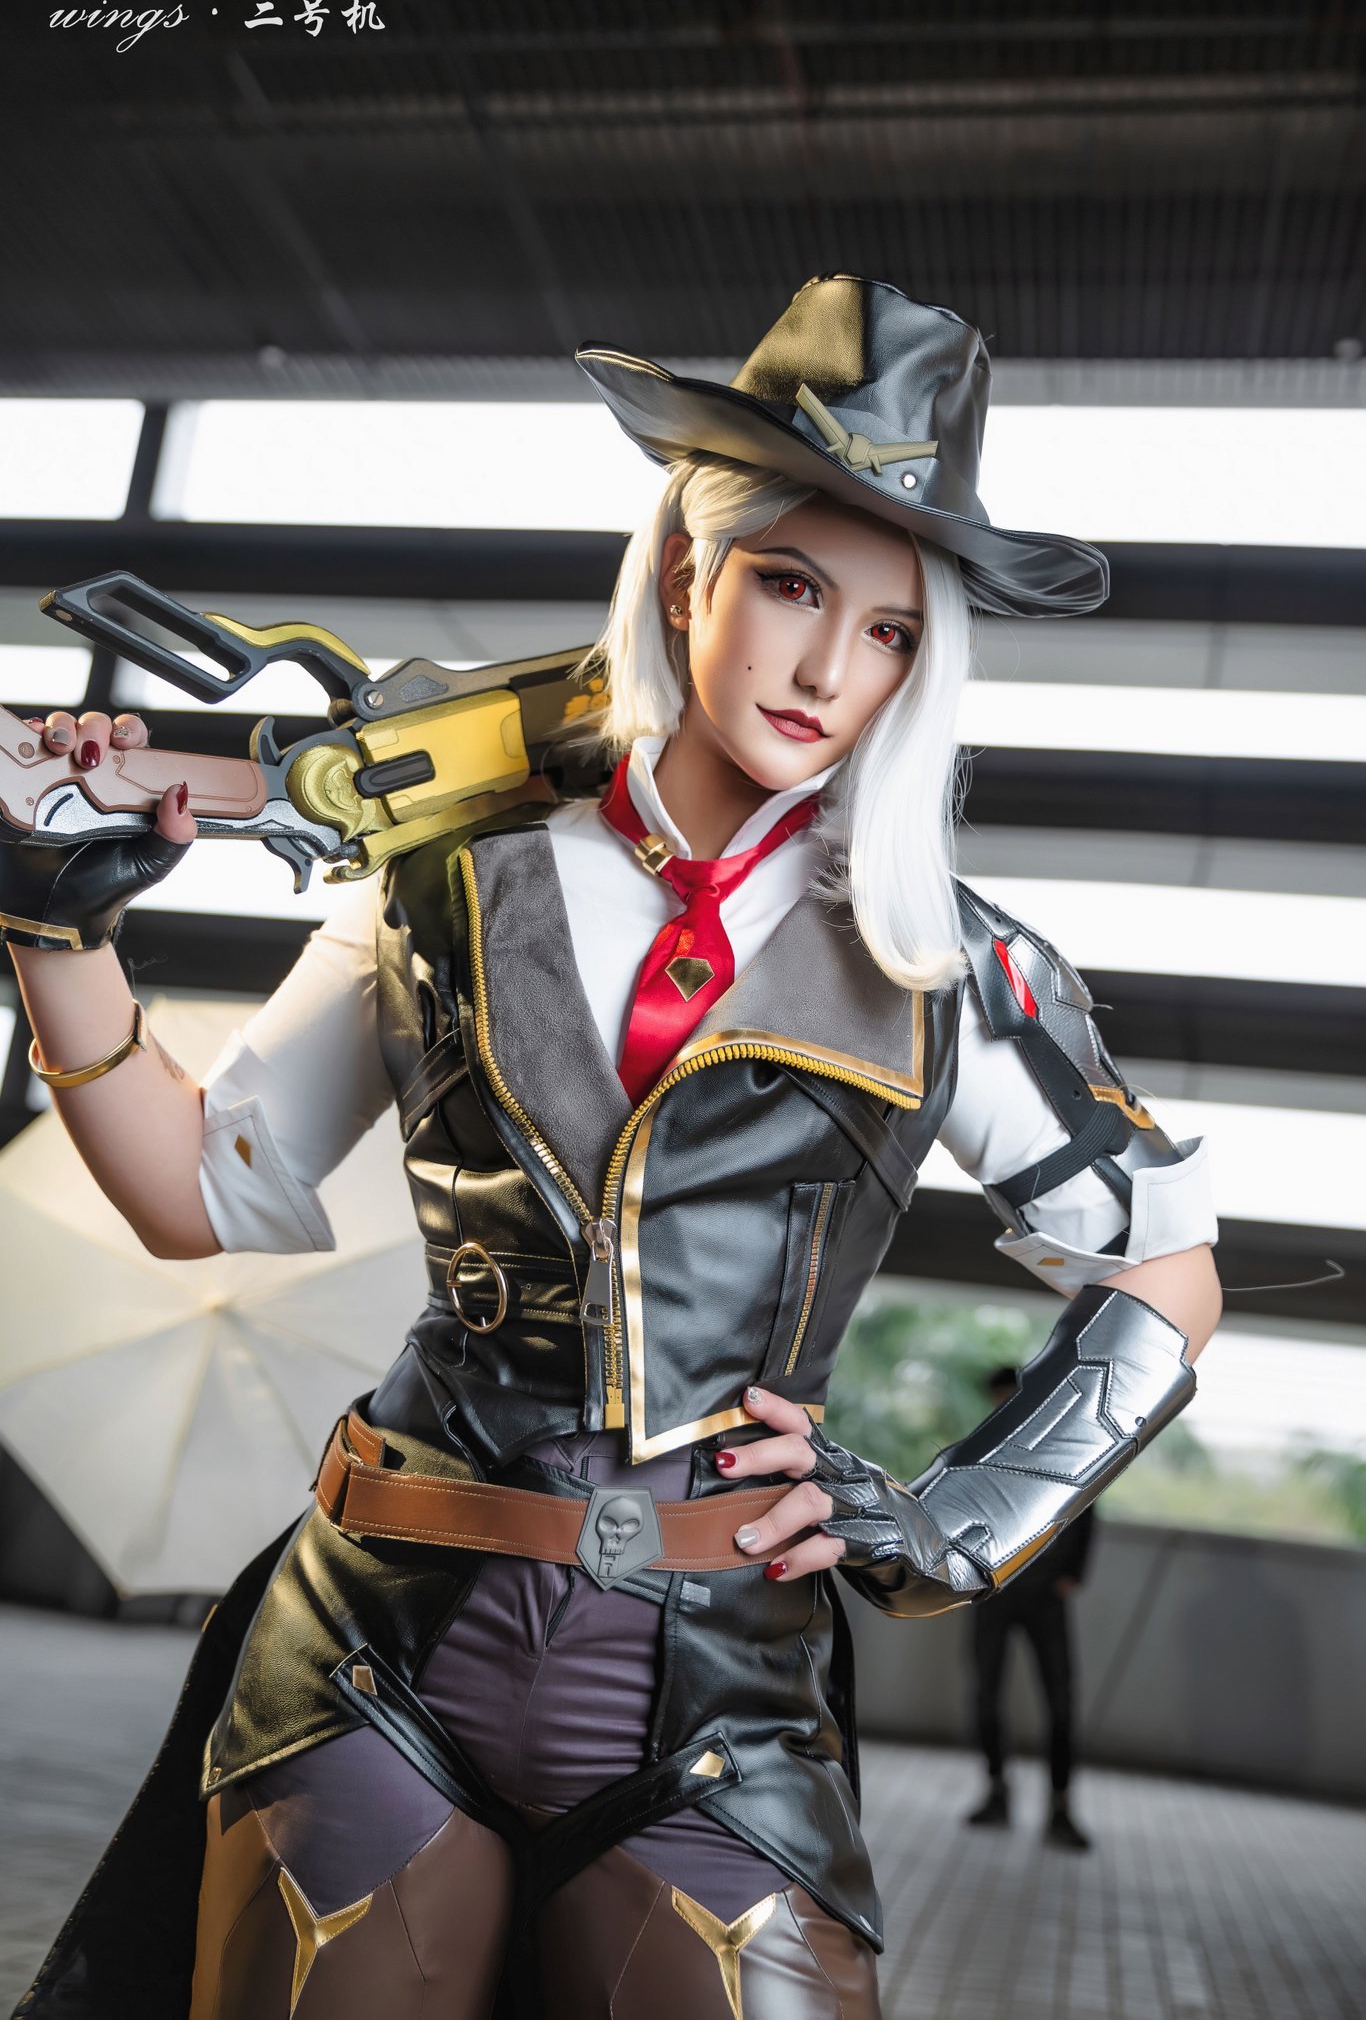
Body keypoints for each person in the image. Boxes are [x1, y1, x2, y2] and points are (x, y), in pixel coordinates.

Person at [5, 276, 1222, 2020]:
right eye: (791, 585)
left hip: (723, 1682)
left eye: (890, 629)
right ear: (682, 575)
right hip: (379, 1632)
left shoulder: (944, 962)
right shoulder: (447, 871)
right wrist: (53, 930)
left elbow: (1164, 1267)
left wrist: (949, 1520)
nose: (830, 668)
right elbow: (199, 1192)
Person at [964, 1365, 1096, 1851]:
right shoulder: (982, 1449)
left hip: (1045, 1596)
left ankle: (1060, 1807)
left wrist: (1072, 1573)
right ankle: (996, 1792)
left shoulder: (1061, 1444)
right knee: (986, 1695)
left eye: (1010, 1399)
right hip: (994, 1592)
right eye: (998, 1400)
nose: (1004, 1408)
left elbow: (1085, 1504)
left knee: (1060, 1701)